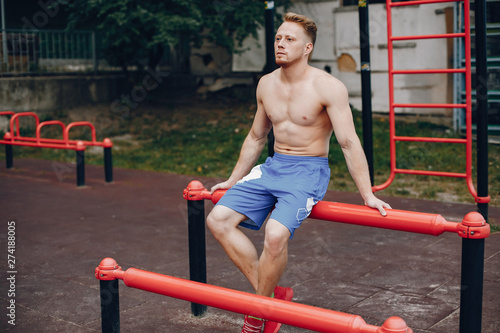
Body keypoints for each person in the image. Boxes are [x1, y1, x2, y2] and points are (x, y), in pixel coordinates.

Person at [206, 12, 392, 333]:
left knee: (275, 235)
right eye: (278, 38)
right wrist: (234, 179)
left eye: (289, 39)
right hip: (274, 166)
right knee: (217, 220)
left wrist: (368, 194)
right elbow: (256, 137)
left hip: (308, 171)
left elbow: (348, 142)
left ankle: (258, 313)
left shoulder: (328, 87)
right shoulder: (266, 84)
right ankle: (271, 301)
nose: (280, 44)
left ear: (307, 48)